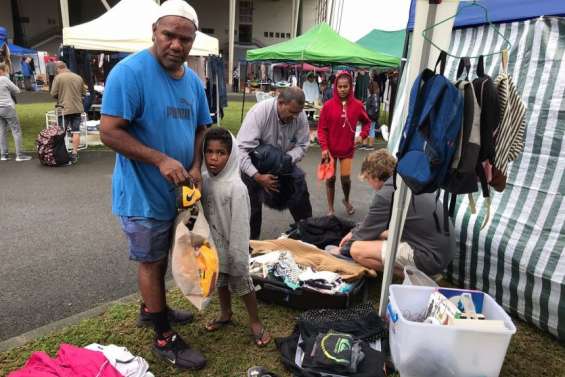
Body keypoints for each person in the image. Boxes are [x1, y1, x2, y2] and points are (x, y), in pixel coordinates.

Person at [99, 0, 210, 370]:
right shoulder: (128, 73)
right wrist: (160, 159)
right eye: (169, 35)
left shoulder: (193, 82)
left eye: (185, 38)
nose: (176, 45)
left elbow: (200, 127)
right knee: (151, 260)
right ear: (154, 33)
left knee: (163, 255)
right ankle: (163, 336)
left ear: (193, 41)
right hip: (142, 193)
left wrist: (195, 164)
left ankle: (152, 309)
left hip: (179, 192)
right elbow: (109, 133)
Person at [335, 149, 456, 277]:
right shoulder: (409, 180)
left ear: (374, 177)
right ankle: (420, 272)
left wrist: (342, 250)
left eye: (367, 179)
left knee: (356, 249)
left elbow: (366, 232)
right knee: (382, 233)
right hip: (444, 251)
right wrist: (354, 232)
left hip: (430, 257)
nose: (369, 183)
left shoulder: (386, 194)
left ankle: (418, 276)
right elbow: (375, 227)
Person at [201, 127, 271, 347]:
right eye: (209, 151)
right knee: (220, 281)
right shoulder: (203, 180)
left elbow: (241, 226)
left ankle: (255, 322)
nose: (213, 158)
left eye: (220, 153)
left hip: (233, 249)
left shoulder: (236, 188)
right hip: (213, 247)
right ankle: (225, 313)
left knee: (242, 284)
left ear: (231, 156)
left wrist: (238, 256)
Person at [237, 87, 312, 240]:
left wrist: (286, 159)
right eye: (292, 112)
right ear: (280, 102)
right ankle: (251, 246)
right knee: (252, 208)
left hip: (283, 160)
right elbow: (241, 151)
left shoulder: (299, 114)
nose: (295, 117)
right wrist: (257, 177)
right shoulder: (259, 113)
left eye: (298, 113)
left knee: (300, 189)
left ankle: (309, 234)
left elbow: (303, 145)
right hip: (255, 163)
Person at [317, 71, 371, 216]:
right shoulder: (328, 106)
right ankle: (331, 209)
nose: (342, 89)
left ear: (350, 87)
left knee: (345, 179)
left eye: (345, 86)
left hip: (347, 149)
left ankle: (346, 200)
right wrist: (324, 148)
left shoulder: (357, 105)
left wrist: (362, 135)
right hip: (329, 150)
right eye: (340, 86)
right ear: (335, 87)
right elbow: (321, 129)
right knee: (330, 179)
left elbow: (367, 123)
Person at [50, 61, 85, 163]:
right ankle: (74, 153)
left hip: (63, 109)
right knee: (76, 131)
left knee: (61, 132)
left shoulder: (58, 78)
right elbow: (83, 93)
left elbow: (53, 93)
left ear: (58, 69)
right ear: (66, 67)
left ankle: (62, 154)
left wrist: (60, 96)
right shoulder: (78, 77)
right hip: (77, 108)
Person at [0, 63, 31, 161]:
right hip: (7, 107)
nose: (7, 72)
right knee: (16, 130)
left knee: (2, 131)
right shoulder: (4, 79)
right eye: (6, 70)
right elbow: (17, 90)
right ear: (2, 70)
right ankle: (20, 155)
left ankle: (4, 154)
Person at [361, 78, 380, 150]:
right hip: (369, 116)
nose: (368, 89)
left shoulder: (374, 96)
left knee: (371, 129)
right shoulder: (373, 96)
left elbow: (375, 108)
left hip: (371, 116)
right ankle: (365, 144)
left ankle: (370, 145)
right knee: (366, 129)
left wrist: (368, 114)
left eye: (369, 88)